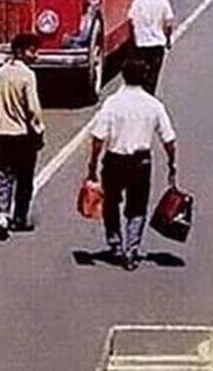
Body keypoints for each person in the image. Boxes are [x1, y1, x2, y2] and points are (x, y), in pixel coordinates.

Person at [86, 57, 179, 271]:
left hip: (114, 161)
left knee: (111, 203)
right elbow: (169, 139)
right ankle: (132, 248)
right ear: (144, 76)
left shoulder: (112, 103)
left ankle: (115, 243)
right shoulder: (153, 105)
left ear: (123, 76)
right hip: (141, 162)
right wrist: (171, 163)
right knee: (137, 206)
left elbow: (98, 137)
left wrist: (92, 165)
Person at [0, 33, 45, 240]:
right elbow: (33, 109)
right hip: (23, 136)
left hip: (3, 134)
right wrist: (39, 130)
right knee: (24, 180)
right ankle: (19, 218)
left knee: (5, 177)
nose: (36, 55)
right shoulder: (27, 76)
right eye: (33, 51)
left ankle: (2, 215)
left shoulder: (1, 73)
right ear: (21, 52)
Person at [128, 0, 175, 96]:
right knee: (153, 76)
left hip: (141, 43)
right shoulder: (163, 2)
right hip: (157, 44)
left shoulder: (138, 2)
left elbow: (131, 21)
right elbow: (168, 24)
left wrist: (132, 41)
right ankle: (149, 96)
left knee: (141, 74)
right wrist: (168, 40)